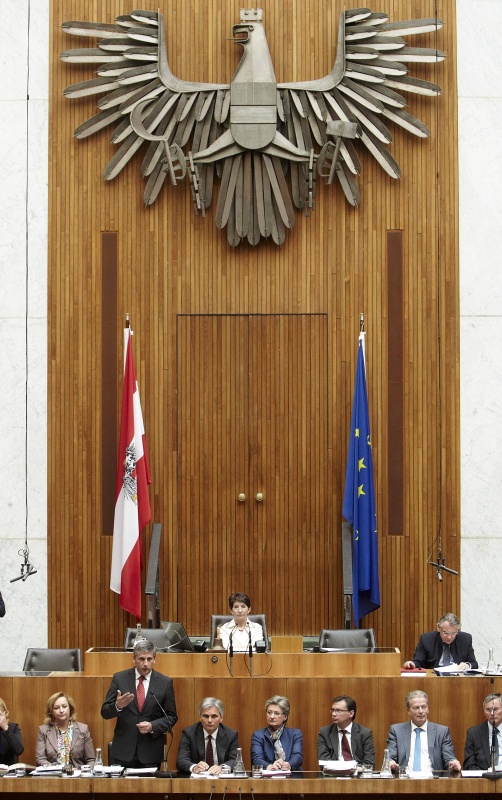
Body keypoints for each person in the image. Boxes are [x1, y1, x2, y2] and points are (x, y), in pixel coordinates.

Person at [101, 639, 177, 769]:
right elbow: (105, 712)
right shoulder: (120, 678)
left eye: (149, 659)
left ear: (155, 659)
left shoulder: (165, 683)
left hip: (150, 751)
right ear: (134, 659)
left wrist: (152, 726)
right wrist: (117, 706)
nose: (145, 664)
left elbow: (171, 717)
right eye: (141, 659)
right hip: (124, 751)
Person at [386, 690, 461, 773]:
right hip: (405, 780)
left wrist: (452, 763)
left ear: (428, 709)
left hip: (433, 781)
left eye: (424, 707)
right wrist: (391, 762)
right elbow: (390, 756)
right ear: (408, 710)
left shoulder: (442, 731)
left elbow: (449, 758)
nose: (421, 711)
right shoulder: (396, 731)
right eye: (416, 708)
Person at [176, 697, 239, 775]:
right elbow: (181, 760)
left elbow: (235, 760)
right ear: (200, 717)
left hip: (221, 780)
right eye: (205, 716)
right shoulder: (189, 733)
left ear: (221, 718)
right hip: (196, 781)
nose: (209, 720)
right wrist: (194, 767)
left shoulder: (231, 735)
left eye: (214, 716)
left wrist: (222, 768)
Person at [36, 692, 95, 767]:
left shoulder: (83, 729)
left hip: (77, 776)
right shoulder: (43, 730)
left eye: (64, 706)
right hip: (53, 775)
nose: (61, 710)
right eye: (56, 708)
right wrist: (53, 769)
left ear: (70, 708)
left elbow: (91, 760)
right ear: (51, 711)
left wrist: (83, 771)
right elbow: (40, 758)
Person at [403, 613, 478, 671]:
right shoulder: (426, 639)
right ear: (438, 628)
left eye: (453, 633)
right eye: (446, 633)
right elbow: (418, 661)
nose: (449, 637)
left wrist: (467, 665)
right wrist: (412, 664)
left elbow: (474, 663)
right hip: (434, 677)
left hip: (458, 678)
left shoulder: (465, 639)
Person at [317, 695, 375, 766]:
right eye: (332, 710)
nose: (333, 714)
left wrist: (352, 769)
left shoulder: (365, 733)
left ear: (351, 713)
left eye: (338, 710)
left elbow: (369, 764)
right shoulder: (324, 733)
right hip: (333, 775)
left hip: (357, 775)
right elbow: (324, 763)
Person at [251, 695, 303, 771]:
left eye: (276, 713)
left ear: (285, 716)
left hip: (291, 777)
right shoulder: (258, 735)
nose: (271, 716)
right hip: (267, 778)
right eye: (269, 712)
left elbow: (298, 756)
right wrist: (270, 766)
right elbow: (256, 758)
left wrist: (289, 765)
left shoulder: (295, 734)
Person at [463, 693, 502, 770]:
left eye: (496, 709)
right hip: (484, 779)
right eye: (488, 710)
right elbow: (469, 766)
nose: (492, 713)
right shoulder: (474, 734)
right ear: (484, 711)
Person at [0, 697, 24, 765]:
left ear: (4, 714)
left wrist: (5, 727)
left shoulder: (12, 727)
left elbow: (19, 750)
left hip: (7, 772)